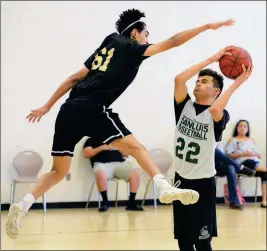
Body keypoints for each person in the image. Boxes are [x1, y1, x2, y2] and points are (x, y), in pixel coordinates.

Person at [6, 8, 234, 239]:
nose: (149, 39)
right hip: (92, 107)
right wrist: (206, 27)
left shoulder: (109, 42)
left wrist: (47, 105)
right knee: (136, 148)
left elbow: (75, 78)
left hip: (68, 109)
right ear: (135, 33)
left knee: (58, 171)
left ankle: (23, 204)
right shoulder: (132, 48)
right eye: (146, 34)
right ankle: (165, 187)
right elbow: (173, 41)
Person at [172, 46, 252, 251]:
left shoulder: (220, 115)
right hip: (180, 180)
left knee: (201, 241)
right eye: (198, 81)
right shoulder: (184, 106)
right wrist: (211, 59)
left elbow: (215, 108)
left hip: (202, 185)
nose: (198, 83)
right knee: (183, 240)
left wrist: (237, 83)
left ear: (216, 91)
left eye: (204, 81)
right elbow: (179, 79)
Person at [83, 137, 144, 212]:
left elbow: (126, 155)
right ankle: (105, 203)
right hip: (102, 164)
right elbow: (86, 154)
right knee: (100, 172)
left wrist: (120, 148)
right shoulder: (91, 140)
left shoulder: (116, 139)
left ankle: (131, 202)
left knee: (135, 172)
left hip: (120, 163)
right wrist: (102, 148)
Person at [226, 120, 267, 208]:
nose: (243, 128)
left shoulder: (251, 140)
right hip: (241, 164)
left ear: (247, 129)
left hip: (254, 163)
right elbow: (229, 155)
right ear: (237, 128)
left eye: (245, 126)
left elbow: (259, 155)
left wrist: (252, 154)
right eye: (240, 126)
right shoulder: (233, 140)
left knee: (265, 174)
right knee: (249, 162)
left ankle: (264, 201)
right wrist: (242, 154)